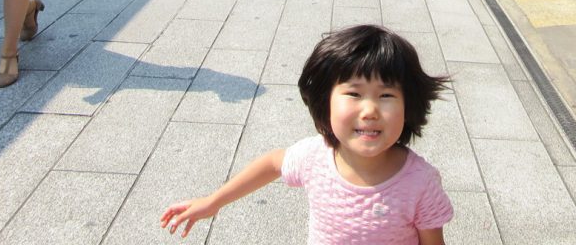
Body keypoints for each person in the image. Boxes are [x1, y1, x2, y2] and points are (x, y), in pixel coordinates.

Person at [161, 24, 452, 242]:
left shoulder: (419, 182)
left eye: (386, 95)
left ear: (409, 104)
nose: (370, 110)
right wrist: (213, 202)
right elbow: (274, 163)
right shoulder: (315, 157)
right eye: (353, 93)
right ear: (325, 101)